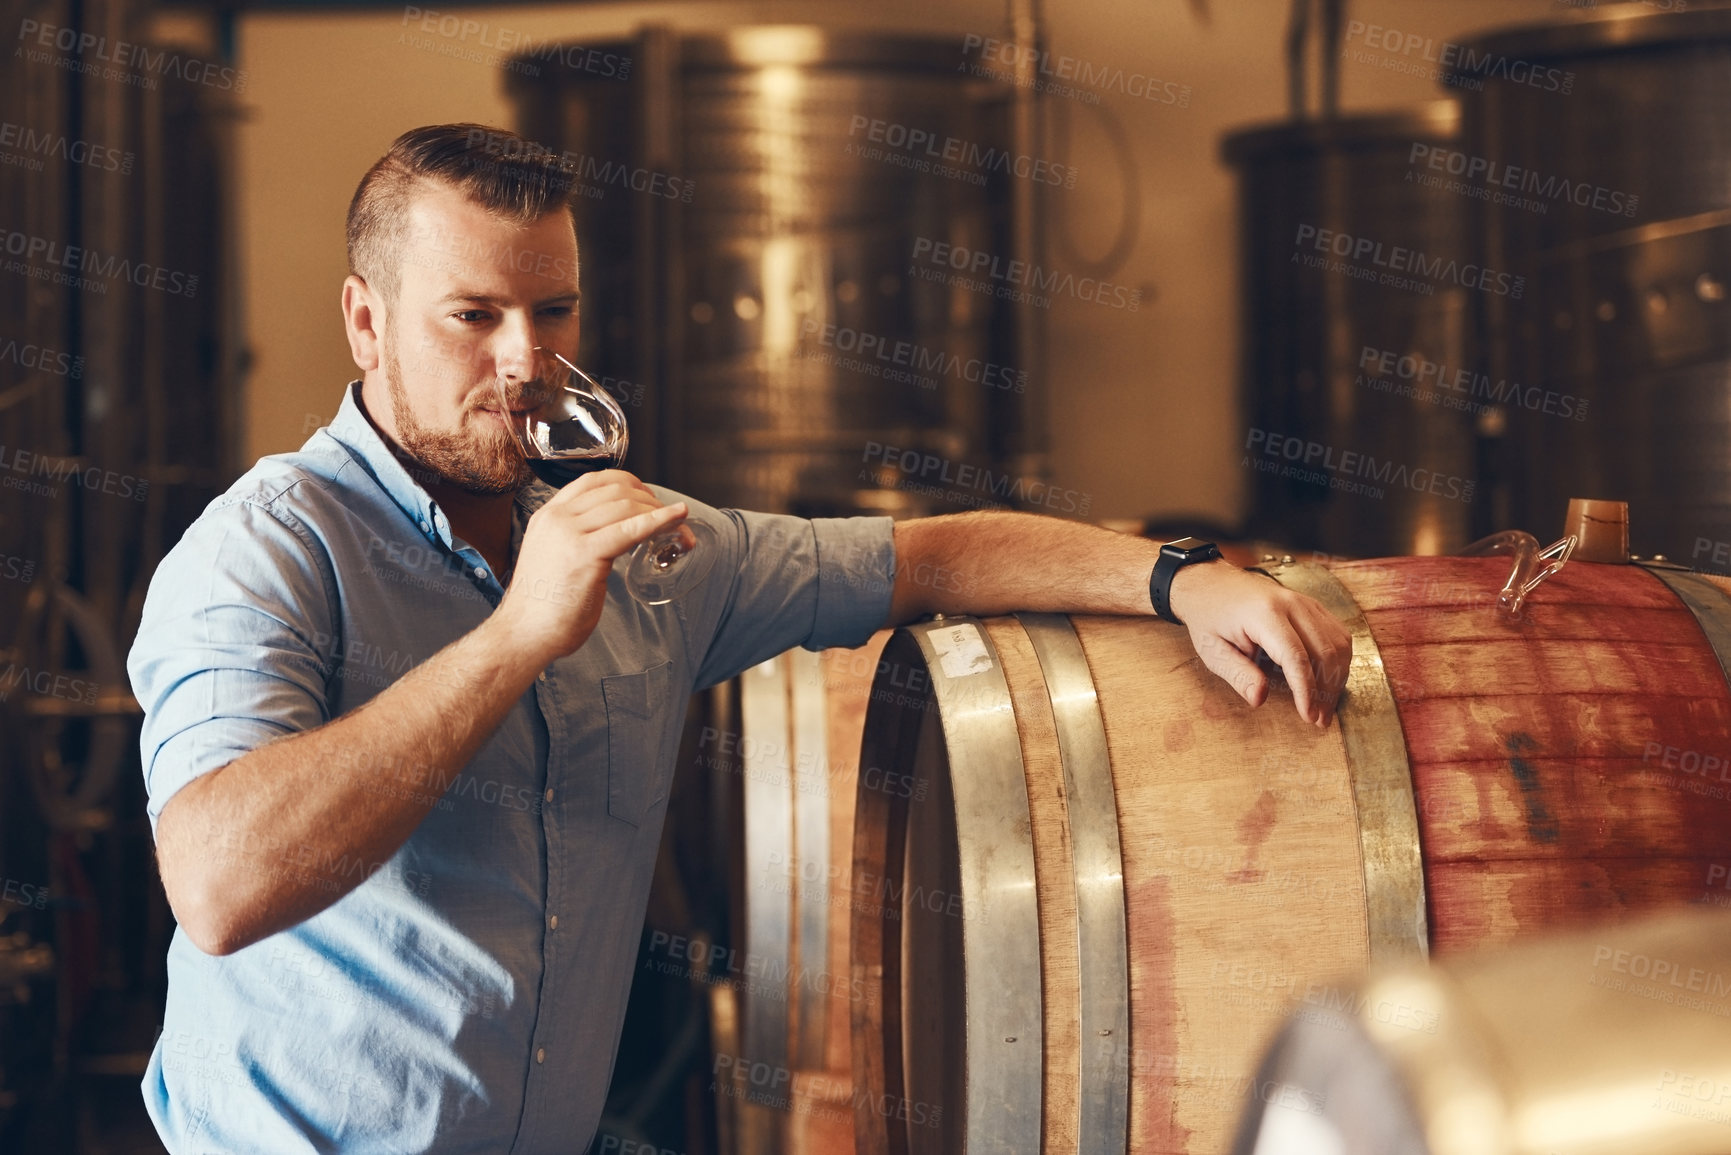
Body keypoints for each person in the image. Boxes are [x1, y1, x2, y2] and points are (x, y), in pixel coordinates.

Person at [127, 123, 1350, 1153]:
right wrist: (515, 639)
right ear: (365, 321)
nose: (523, 363)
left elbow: (927, 558)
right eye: (471, 315)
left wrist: (1181, 580)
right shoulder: (269, 548)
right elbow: (222, 884)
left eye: (551, 311)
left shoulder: (646, 558)